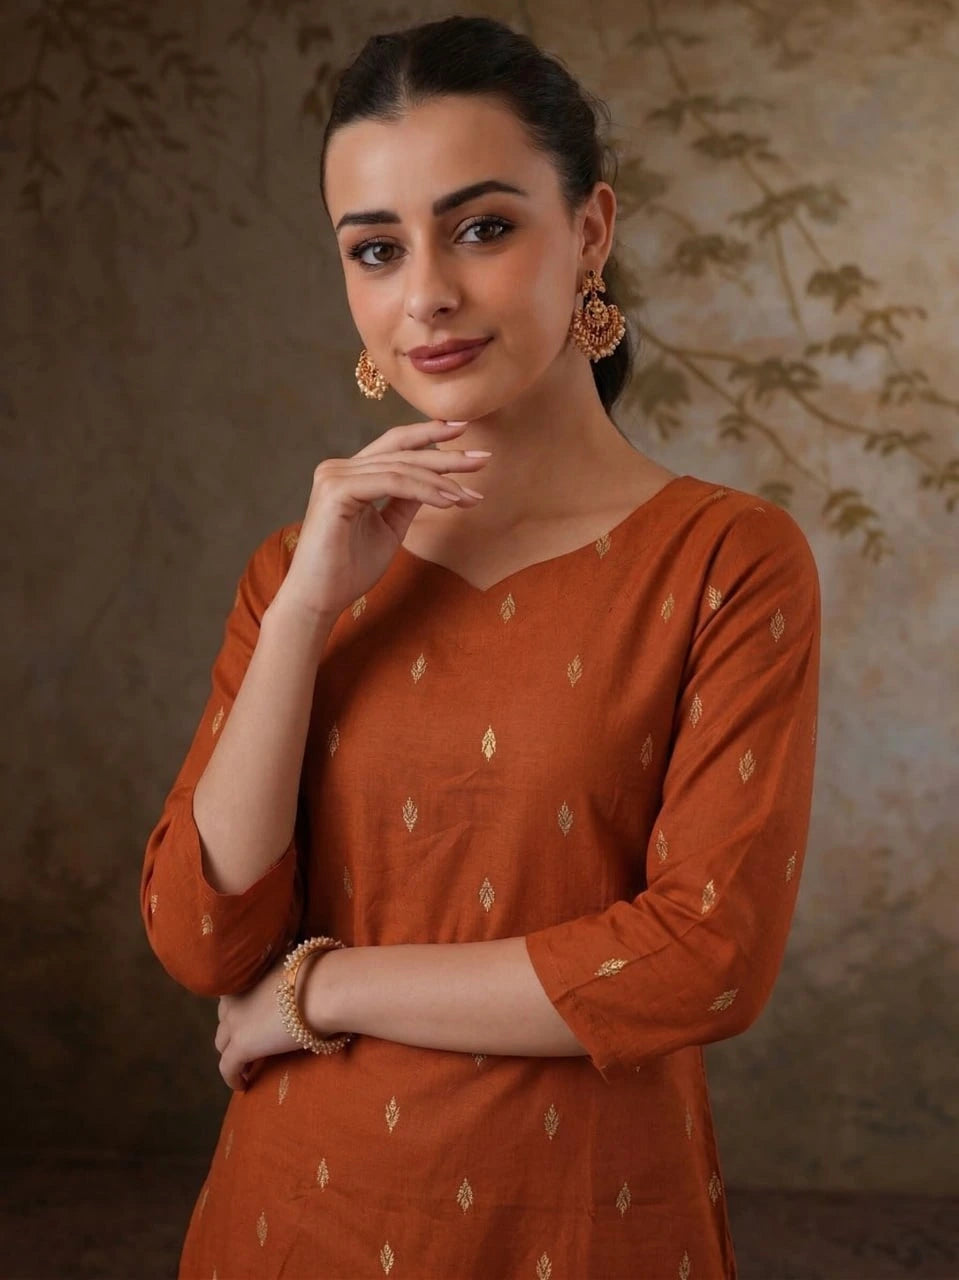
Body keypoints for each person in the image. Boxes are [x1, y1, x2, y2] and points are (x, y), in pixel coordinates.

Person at [140, 15, 821, 1279]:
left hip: (585, 1221)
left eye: (484, 227)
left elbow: (702, 960)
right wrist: (305, 610)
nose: (427, 295)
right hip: (293, 1217)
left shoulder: (725, 560)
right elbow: (203, 940)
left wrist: (322, 989)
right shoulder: (298, 574)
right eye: (376, 249)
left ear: (591, 232)